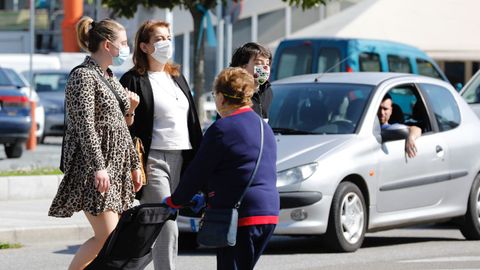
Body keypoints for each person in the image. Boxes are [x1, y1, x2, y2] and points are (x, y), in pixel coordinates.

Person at [48, 17, 142, 270]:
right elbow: (85, 126)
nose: (126, 48)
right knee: (109, 237)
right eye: (123, 43)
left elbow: (121, 127)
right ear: (107, 45)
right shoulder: (83, 76)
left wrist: (134, 164)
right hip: (94, 168)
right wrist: (98, 167)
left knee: (112, 239)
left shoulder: (110, 76)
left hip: (116, 167)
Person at [165, 67, 279, 270]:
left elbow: (197, 172)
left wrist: (176, 200)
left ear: (221, 97)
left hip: (240, 214)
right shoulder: (264, 127)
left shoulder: (221, 129)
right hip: (268, 211)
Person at [119, 20, 203, 270]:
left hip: (182, 156)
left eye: (168, 37)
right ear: (144, 46)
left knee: (161, 221)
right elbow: (124, 126)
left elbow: (192, 121)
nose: (166, 43)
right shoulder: (133, 79)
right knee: (165, 221)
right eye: (159, 39)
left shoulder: (176, 77)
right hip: (153, 159)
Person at [225, 42, 273, 120]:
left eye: (267, 64)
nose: (265, 68)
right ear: (242, 67)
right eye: (258, 63)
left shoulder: (267, 92)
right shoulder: (232, 94)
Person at [378, 94, 422, 158]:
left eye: (385, 109)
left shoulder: (393, 127)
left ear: (391, 110)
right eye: (379, 108)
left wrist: (411, 138)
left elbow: (417, 129)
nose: (381, 112)